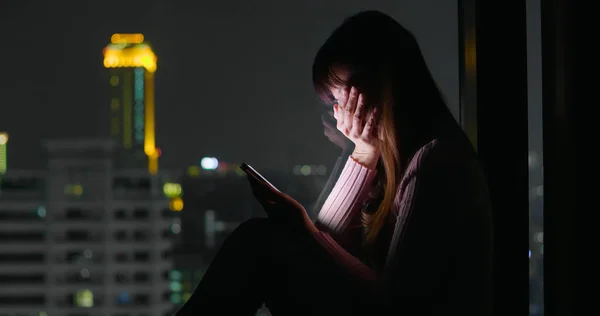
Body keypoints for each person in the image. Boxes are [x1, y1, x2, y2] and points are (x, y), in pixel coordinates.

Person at [175, 10, 493, 316]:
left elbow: (397, 304)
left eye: (340, 99)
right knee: (260, 241)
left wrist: (303, 229)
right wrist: (361, 154)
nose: (338, 114)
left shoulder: (434, 163)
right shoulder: (397, 162)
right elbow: (329, 243)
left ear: (380, 86)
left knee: (259, 243)